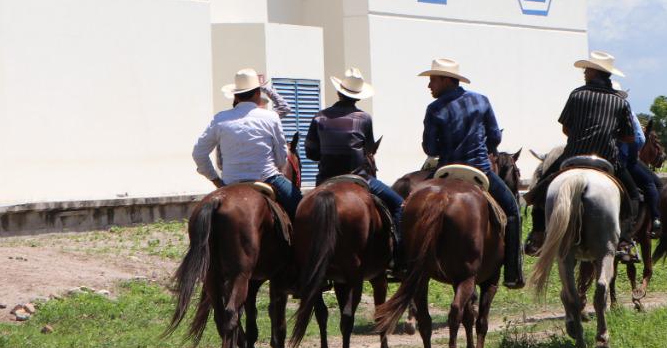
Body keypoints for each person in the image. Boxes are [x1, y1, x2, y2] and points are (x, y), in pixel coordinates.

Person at [524, 51, 641, 262]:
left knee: (542, 190)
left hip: (573, 156)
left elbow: (566, 129)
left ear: (595, 72)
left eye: (587, 69)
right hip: (608, 159)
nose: (585, 72)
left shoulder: (577, 94)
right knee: (634, 196)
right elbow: (629, 137)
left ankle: (538, 233)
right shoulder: (620, 102)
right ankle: (625, 241)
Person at [419, 58, 525, 289]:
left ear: (447, 80)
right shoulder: (481, 100)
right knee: (513, 211)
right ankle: (512, 272)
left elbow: (431, 149)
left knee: (410, 206)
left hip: (446, 173)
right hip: (480, 170)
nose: (429, 86)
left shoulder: (434, 109)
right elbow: (495, 137)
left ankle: (405, 263)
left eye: (433, 80)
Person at [304, 67, 407, 268]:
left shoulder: (319, 117)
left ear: (338, 92)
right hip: (359, 178)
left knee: (300, 211)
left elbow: (311, 154)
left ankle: (299, 266)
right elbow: (368, 150)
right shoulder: (364, 118)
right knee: (399, 204)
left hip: (326, 180)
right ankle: (399, 257)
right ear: (358, 97)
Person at [191, 68, 301, 219]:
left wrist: (216, 180)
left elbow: (198, 153)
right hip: (268, 178)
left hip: (230, 182)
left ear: (235, 95)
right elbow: (282, 157)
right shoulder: (271, 117)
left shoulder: (220, 119)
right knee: (303, 208)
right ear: (257, 93)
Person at [612, 79, 662, 238]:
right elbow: (639, 139)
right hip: (623, 161)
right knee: (651, 183)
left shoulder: (594, 105)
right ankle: (656, 219)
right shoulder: (627, 110)